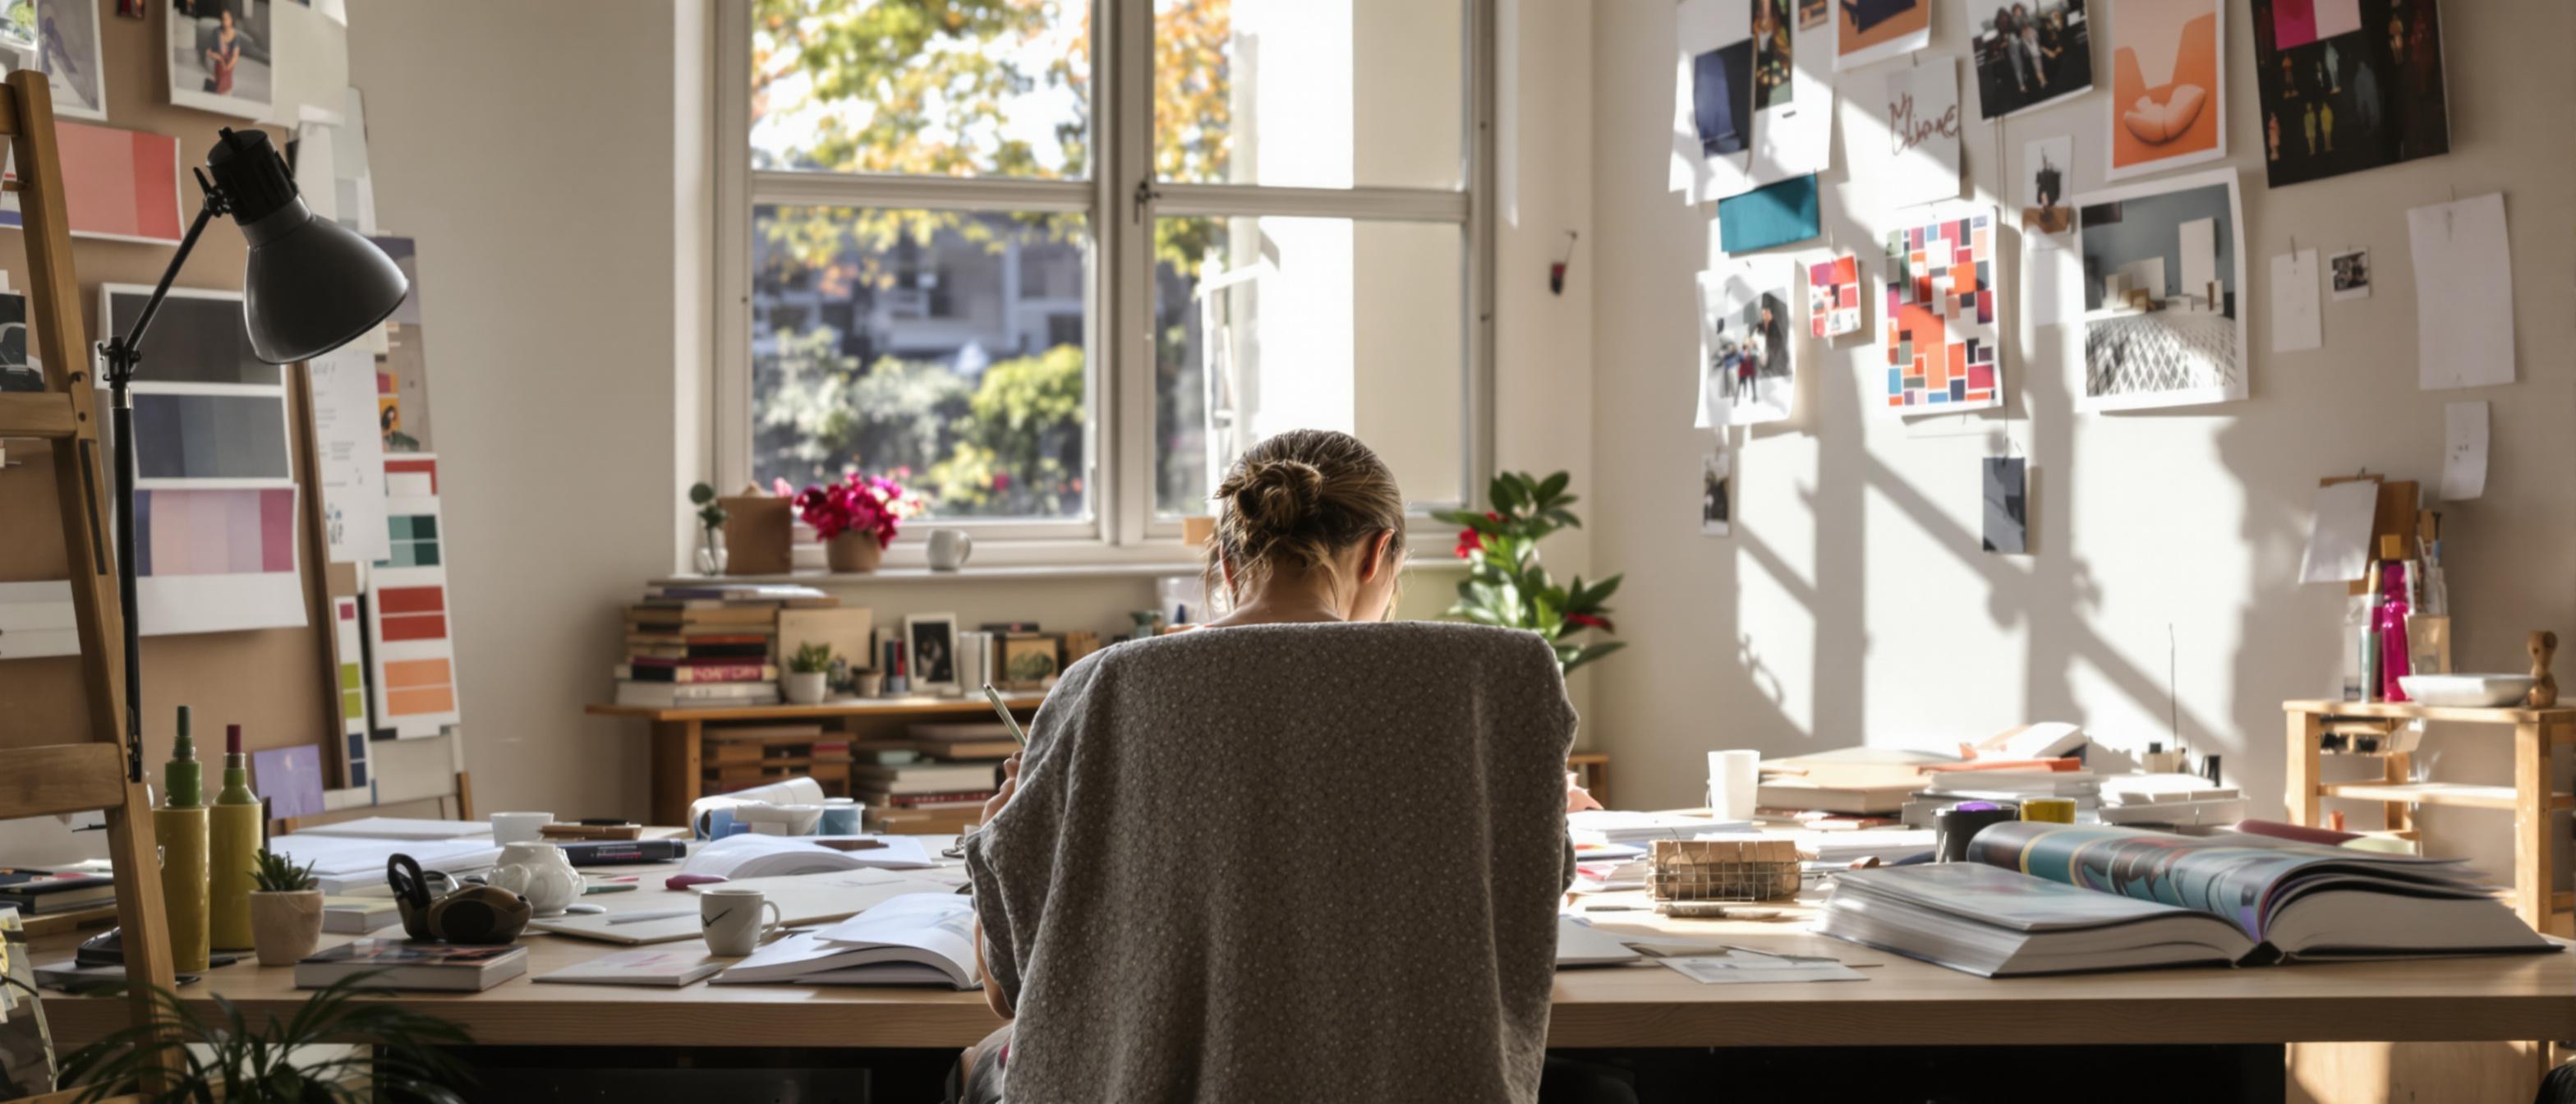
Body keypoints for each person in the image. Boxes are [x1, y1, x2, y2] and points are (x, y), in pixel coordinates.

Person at [955, 429, 1630, 1104]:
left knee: (972, 1065)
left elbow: (1012, 989)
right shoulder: (1496, 681)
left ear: (1224, 562)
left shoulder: (1104, 687)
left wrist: (997, 832)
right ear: (1379, 555)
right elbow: (1527, 921)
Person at [201, 7, 238, 95]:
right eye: (222, 18)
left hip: (226, 77)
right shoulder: (217, 32)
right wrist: (218, 57)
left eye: (226, 19)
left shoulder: (235, 37)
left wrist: (227, 66)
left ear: (232, 20)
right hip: (216, 72)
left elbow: (235, 57)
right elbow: (209, 51)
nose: (223, 21)